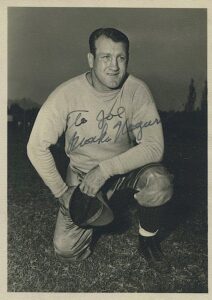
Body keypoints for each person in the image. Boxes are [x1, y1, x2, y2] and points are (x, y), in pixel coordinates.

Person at [27, 28, 173, 269]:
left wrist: (105, 170)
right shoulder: (67, 94)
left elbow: (154, 147)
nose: (114, 66)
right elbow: (36, 146)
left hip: (123, 174)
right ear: (91, 59)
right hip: (83, 180)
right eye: (106, 57)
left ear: (127, 59)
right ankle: (101, 212)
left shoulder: (137, 90)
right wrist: (61, 192)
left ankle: (148, 241)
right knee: (66, 252)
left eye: (121, 58)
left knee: (158, 180)